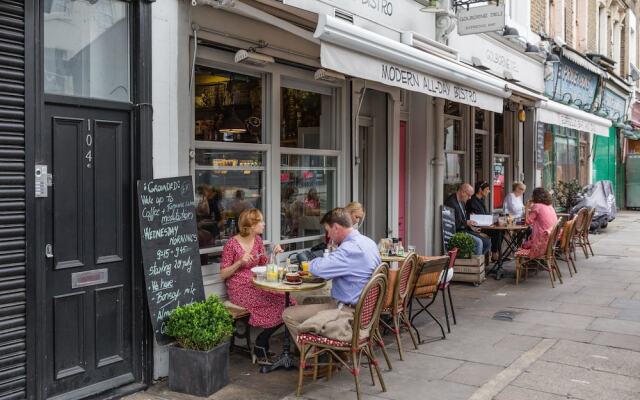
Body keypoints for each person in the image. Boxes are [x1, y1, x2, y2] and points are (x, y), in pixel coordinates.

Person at [282, 208, 380, 349]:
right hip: (364, 310)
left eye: (328, 230)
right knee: (307, 301)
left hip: (347, 313)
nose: (328, 235)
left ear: (336, 227)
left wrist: (307, 263)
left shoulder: (349, 249)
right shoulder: (368, 242)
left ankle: (312, 357)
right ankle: (323, 354)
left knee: (288, 313)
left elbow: (319, 269)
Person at [220, 209, 288, 364]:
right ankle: (261, 345)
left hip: (257, 283)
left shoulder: (257, 240)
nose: (264, 224)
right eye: (261, 221)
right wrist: (239, 262)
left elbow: (264, 264)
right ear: (251, 225)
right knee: (278, 305)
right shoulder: (232, 244)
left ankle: (261, 341)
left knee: (288, 302)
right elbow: (223, 274)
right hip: (239, 288)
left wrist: (274, 254)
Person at [444, 183, 490, 256]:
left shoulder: (461, 201)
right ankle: (475, 264)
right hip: (457, 233)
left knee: (487, 242)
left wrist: (471, 226)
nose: (470, 198)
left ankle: (478, 262)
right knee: (479, 242)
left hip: (464, 230)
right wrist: (466, 223)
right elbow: (451, 223)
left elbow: (463, 219)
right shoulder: (451, 202)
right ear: (462, 192)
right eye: (469, 195)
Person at [515, 187, 558, 260]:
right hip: (551, 241)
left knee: (523, 244)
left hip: (540, 243)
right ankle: (530, 264)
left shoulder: (537, 206)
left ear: (535, 196)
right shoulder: (550, 206)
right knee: (527, 237)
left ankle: (525, 264)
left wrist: (526, 208)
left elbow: (527, 222)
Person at [466, 181, 500, 260]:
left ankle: (495, 253)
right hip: (477, 228)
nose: (489, 191)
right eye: (487, 189)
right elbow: (480, 217)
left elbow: (485, 215)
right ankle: (494, 254)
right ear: (480, 190)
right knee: (497, 232)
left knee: (499, 231)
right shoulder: (473, 201)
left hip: (483, 226)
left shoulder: (480, 200)